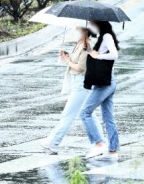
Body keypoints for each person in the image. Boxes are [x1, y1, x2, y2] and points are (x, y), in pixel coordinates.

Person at [41, 27, 103, 155]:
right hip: (78, 82)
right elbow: (74, 63)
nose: (75, 30)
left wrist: (67, 61)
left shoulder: (87, 46)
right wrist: (67, 57)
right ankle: (101, 143)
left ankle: (53, 143)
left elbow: (81, 68)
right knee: (89, 114)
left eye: (78, 28)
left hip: (82, 84)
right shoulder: (80, 43)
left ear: (85, 30)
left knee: (68, 114)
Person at [80, 20, 120, 160]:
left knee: (85, 113)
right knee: (108, 117)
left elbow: (114, 55)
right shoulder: (102, 37)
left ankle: (98, 144)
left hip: (104, 83)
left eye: (92, 24)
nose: (91, 26)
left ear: (99, 23)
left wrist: (98, 55)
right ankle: (113, 150)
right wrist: (90, 50)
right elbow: (96, 56)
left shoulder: (107, 36)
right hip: (106, 81)